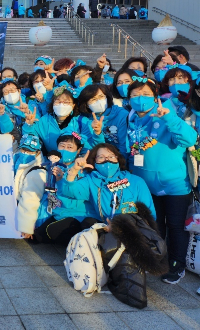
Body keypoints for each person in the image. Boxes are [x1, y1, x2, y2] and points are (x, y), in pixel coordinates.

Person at [125, 78, 198, 284]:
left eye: (146, 94)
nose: (140, 99)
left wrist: (169, 118)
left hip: (175, 185)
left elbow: (189, 139)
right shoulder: (131, 119)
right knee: (154, 224)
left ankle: (177, 264)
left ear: (155, 97)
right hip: (146, 185)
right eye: (135, 95)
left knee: (176, 226)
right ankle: (158, 259)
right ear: (129, 99)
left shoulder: (168, 115)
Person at [57, 142, 155, 224]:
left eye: (111, 156)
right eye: (101, 157)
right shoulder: (90, 180)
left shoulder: (136, 181)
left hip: (131, 231)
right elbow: (68, 191)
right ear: (94, 161)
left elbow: (149, 215)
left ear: (118, 159)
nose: (107, 160)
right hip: (103, 229)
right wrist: (74, 170)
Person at [77, 84, 129, 158]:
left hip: (117, 158)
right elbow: (90, 146)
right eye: (93, 99)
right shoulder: (85, 119)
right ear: (87, 104)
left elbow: (124, 146)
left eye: (101, 97)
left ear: (107, 97)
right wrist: (97, 133)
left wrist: (120, 162)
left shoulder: (122, 115)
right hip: (98, 158)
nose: (98, 101)